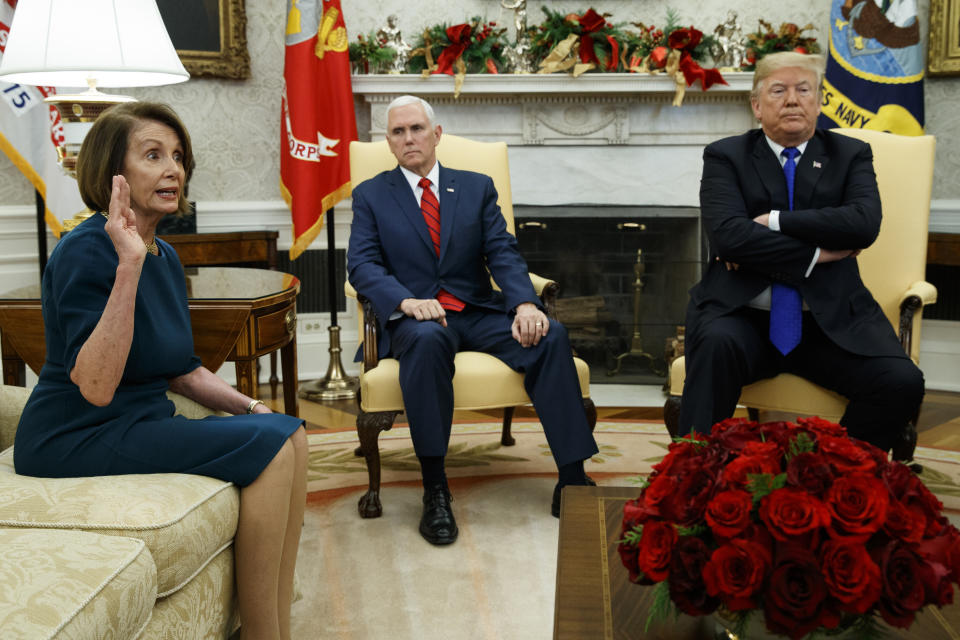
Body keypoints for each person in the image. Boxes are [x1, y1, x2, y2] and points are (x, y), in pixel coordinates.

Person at [13, 102, 307, 640]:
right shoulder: (86, 251)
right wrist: (127, 267)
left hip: (142, 421)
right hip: (74, 434)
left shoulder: (164, 255)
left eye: (178, 156)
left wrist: (253, 406)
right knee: (272, 444)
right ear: (112, 173)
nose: (174, 169)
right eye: (154, 155)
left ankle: (276, 625)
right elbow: (96, 388)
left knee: (291, 433)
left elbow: (181, 368)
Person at [347, 95, 598, 545]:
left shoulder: (476, 186)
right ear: (388, 143)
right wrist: (405, 302)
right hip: (417, 320)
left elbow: (502, 252)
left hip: (477, 310)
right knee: (425, 343)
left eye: (417, 129)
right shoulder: (371, 195)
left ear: (436, 134)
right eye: (398, 132)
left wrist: (525, 304)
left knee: (550, 334)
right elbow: (362, 266)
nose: (409, 139)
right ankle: (435, 489)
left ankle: (572, 476)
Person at [678, 52, 924, 452]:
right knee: (715, 347)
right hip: (743, 317)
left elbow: (863, 224)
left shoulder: (851, 154)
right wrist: (819, 254)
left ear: (819, 100)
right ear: (757, 106)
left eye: (803, 89)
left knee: (901, 381)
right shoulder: (726, 156)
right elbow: (728, 237)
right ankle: (695, 481)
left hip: (830, 322)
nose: (792, 100)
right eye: (779, 90)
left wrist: (773, 221)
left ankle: (838, 477)